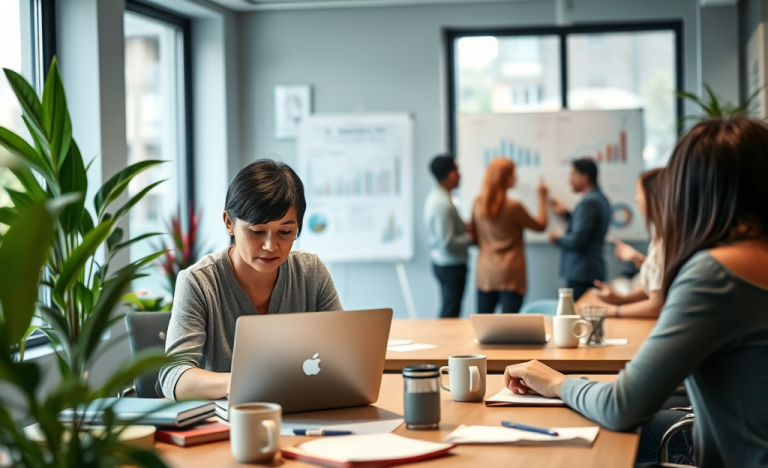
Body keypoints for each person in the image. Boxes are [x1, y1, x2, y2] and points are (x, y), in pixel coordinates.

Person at [504, 117, 768, 467]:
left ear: (692, 191)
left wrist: (557, 382)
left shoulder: (715, 274)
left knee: (579, 439)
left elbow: (622, 407)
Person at [159, 160, 342, 401]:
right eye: (256, 231)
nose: (271, 246)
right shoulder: (198, 282)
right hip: (230, 423)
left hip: (303, 412)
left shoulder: (310, 272)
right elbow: (174, 375)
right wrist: (248, 381)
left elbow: (342, 353)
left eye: (285, 232)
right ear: (229, 223)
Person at [471, 158, 548, 314]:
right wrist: (542, 198)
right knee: (510, 326)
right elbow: (540, 225)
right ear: (504, 178)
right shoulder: (513, 207)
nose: (516, 178)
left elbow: (474, 236)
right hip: (510, 274)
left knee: (484, 327)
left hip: (486, 274)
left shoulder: (477, 204)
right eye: (513, 174)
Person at [588, 168, 665, 318]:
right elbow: (655, 286)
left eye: (638, 192)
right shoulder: (660, 237)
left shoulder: (667, 241)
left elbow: (657, 304)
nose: (636, 199)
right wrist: (619, 299)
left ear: (653, 197)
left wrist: (609, 311)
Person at [549, 158, 612, 302]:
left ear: (584, 177)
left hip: (582, 272)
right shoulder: (599, 198)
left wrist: (557, 238)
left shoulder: (589, 202)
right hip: (588, 270)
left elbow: (578, 240)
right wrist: (566, 214)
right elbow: (586, 227)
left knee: (577, 318)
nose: (569, 179)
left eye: (572, 174)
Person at [424, 154, 474, 318]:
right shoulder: (442, 204)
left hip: (445, 263)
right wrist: (472, 238)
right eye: (457, 170)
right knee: (450, 313)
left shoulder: (440, 197)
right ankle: (445, 343)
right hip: (450, 265)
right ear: (451, 174)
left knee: (451, 309)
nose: (460, 175)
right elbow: (448, 243)